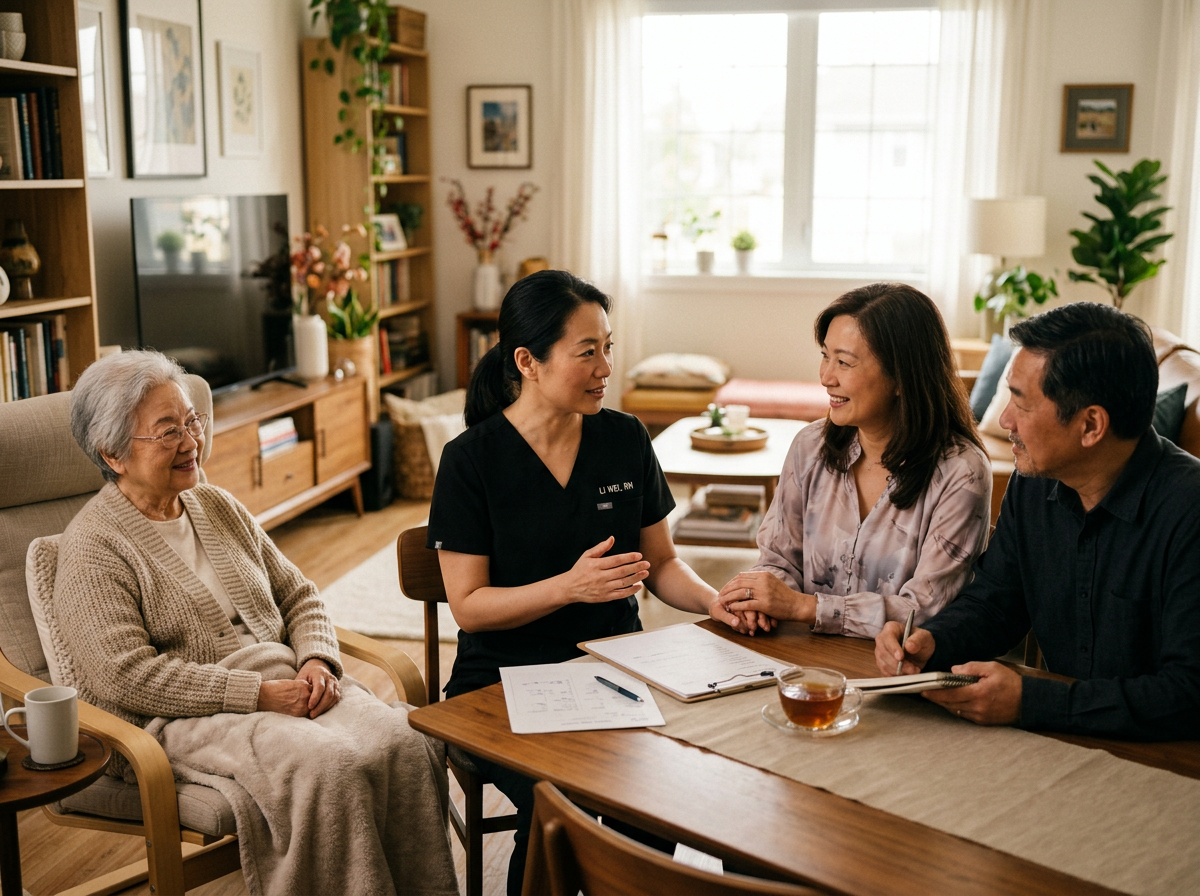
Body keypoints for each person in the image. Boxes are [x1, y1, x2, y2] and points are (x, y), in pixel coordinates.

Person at [55, 350, 457, 896]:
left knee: (404, 741)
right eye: (167, 430)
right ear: (113, 453)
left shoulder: (216, 504)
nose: (191, 440)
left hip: (287, 679)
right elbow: (126, 677)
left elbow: (299, 593)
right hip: (183, 717)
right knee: (328, 767)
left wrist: (317, 657)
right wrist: (259, 694)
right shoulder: (93, 547)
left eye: (191, 420)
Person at [426, 269, 754, 895]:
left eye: (609, 346)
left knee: (660, 796)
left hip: (617, 666)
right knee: (562, 803)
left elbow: (660, 564)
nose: (605, 366)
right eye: (587, 352)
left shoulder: (625, 438)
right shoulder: (471, 460)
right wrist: (567, 588)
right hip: (502, 679)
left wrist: (717, 603)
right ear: (527, 361)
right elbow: (468, 608)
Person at [874, 302, 1200, 741]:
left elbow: (1188, 693)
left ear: (1091, 426)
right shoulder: (1034, 485)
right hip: (1062, 742)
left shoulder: (1189, 512)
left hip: (1165, 761)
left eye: (1021, 403)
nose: (1004, 420)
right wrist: (932, 642)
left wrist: (1030, 701)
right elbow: (995, 605)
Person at [716, 282, 992, 638]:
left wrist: (804, 607)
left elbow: (925, 609)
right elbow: (779, 558)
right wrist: (762, 601)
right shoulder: (810, 446)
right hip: (802, 661)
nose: (825, 377)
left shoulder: (962, 472)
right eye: (825, 356)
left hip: (896, 671)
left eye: (844, 362)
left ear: (901, 378)